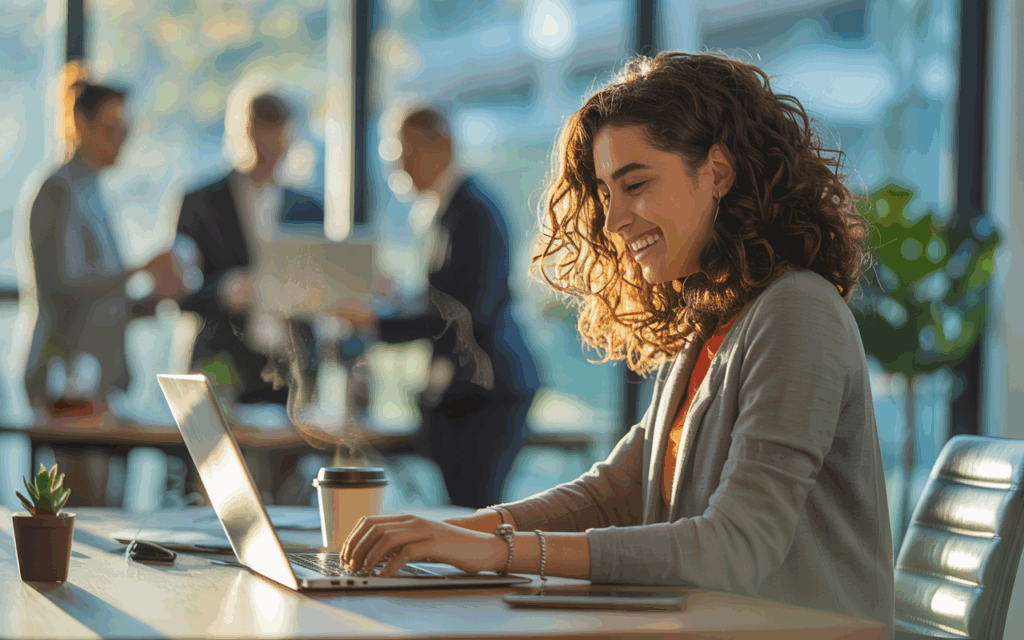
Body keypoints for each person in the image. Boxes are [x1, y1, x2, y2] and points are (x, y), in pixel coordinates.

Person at [341, 52, 895, 635]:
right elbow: (616, 491)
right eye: (608, 192)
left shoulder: (797, 311)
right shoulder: (715, 319)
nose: (613, 221)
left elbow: (733, 547)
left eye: (636, 184)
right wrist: (461, 534)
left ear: (718, 173)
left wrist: (499, 551)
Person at [371, 107, 540, 509]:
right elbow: (452, 297)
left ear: (441, 147)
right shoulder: (450, 211)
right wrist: (397, 303)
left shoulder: (473, 211)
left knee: (475, 512)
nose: (398, 165)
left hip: (486, 392)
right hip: (469, 393)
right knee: (466, 510)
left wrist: (379, 322)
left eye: (405, 152)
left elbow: (467, 312)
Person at [25, 81, 181, 413]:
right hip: (68, 376)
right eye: (111, 129)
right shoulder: (61, 190)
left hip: (96, 375)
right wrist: (141, 269)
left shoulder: (91, 188)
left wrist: (155, 297)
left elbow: (101, 298)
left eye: (125, 130)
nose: (120, 142)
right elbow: (67, 284)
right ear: (81, 124)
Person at [175, 92, 324, 404]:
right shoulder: (200, 202)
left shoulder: (309, 209)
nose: (270, 150)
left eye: (278, 139)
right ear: (242, 133)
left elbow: (324, 294)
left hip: (291, 372)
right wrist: (226, 290)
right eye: (261, 136)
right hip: (223, 365)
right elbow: (179, 293)